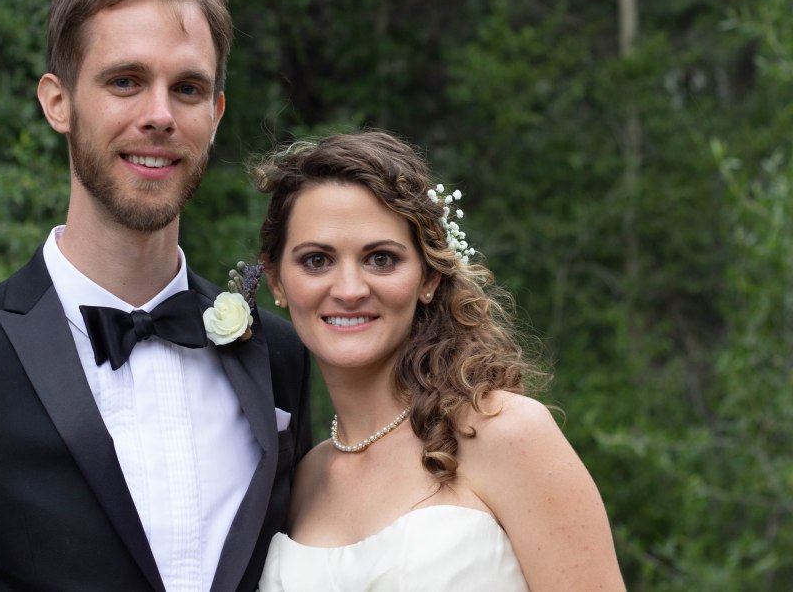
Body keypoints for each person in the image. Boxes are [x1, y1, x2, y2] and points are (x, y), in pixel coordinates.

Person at [0, 0, 313, 592]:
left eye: (187, 88)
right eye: (125, 81)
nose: (159, 115)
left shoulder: (278, 354)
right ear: (58, 102)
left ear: (215, 115)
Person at [251, 131, 625, 591]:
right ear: (277, 280)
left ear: (427, 277)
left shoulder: (505, 433)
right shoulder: (304, 479)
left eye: (381, 259)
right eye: (316, 260)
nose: (349, 289)